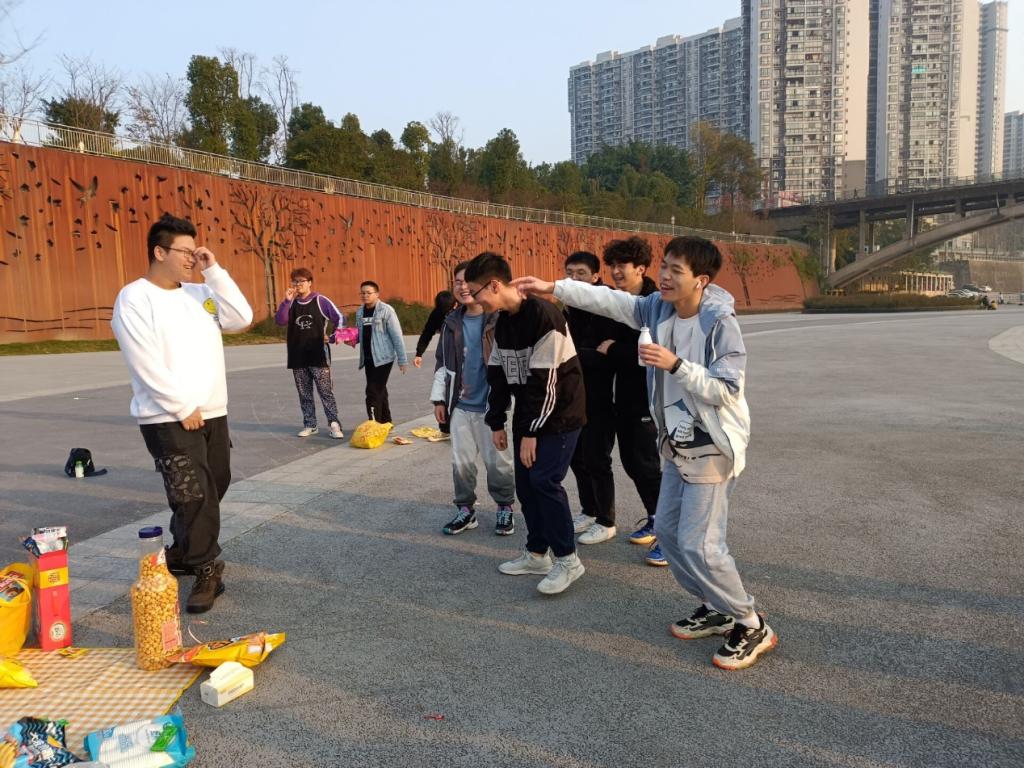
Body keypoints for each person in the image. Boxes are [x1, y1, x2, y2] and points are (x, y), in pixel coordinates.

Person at [512, 236, 777, 670]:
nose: (665, 276)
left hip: (711, 446)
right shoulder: (658, 308)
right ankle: (717, 606)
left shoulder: (718, 322)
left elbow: (727, 388)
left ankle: (751, 623)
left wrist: (676, 365)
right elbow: (609, 301)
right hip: (675, 443)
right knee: (669, 536)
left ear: (701, 280)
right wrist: (553, 287)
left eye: (676, 270)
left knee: (701, 545)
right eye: (665, 266)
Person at [111, 214, 253, 614]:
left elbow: (241, 318)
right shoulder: (134, 298)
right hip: (168, 415)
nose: (193, 258)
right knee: (194, 495)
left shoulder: (199, 293)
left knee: (215, 483)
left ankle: (183, 549)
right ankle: (206, 568)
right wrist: (181, 406)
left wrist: (215, 271)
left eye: (196, 251)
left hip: (213, 410)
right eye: (186, 251)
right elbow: (143, 360)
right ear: (160, 252)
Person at [464, 251, 587, 595]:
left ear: (493, 285)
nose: (473, 300)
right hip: (529, 414)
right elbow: (498, 375)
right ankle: (537, 554)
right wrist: (496, 421)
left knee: (545, 481)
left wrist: (532, 431)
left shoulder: (544, 316)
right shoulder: (502, 322)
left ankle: (568, 560)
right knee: (527, 486)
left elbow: (546, 384)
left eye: (475, 292)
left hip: (560, 415)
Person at [430, 262, 515, 536]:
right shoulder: (451, 322)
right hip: (461, 406)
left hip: (493, 406)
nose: (463, 287)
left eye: (468, 281)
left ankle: (504, 507)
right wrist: (439, 400)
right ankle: (466, 510)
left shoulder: (499, 320)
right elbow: (442, 362)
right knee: (461, 462)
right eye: (457, 282)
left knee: (498, 461)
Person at [595, 237, 666, 566]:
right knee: (632, 462)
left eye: (621, 265)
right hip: (620, 396)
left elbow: (650, 353)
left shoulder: (655, 304)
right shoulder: (618, 301)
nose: (615, 271)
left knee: (646, 465)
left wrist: (613, 349)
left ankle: (669, 534)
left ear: (641, 268)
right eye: (612, 265)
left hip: (645, 398)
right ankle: (656, 518)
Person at [561, 252, 620, 546]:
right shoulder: (568, 307)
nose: (574, 278)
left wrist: (573, 356)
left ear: (596, 277)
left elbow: (607, 358)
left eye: (581, 273)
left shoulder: (607, 307)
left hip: (601, 396)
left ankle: (607, 521)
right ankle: (589, 510)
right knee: (576, 456)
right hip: (574, 395)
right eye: (569, 272)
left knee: (597, 458)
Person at [274, 267, 345, 439]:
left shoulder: (321, 300)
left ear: (310, 283)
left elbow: (340, 318)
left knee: (325, 391)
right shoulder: (291, 303)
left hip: (318, 354)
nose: (298, 284)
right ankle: (310, 424)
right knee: (304, 393)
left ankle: (334, 424)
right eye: (295, 281)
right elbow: (281, 321)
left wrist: (333, 337)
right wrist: (286, 301)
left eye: (302, 281)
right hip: (298, 355)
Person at [355, 280, 407, 423]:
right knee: (380, 390)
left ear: (377, 294)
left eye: (368, 293)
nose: (365, 296)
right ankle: (386, 422)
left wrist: (402, 360)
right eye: (362, 293)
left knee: (372, 391)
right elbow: (359, 334)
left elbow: (397, 336)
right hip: (368, 358)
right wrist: (349, 338)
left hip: (384, 358)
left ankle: (374, 425)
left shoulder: (386, 310)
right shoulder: (360, 312)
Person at [415, 289, 459, 434]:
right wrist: (419, 353)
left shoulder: (461, 312)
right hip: (446, 354)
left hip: (461, 356)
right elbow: (427, 332)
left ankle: (452, 425)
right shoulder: (437, 314)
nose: (446, 313)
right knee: (444, 385)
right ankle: (445, 426)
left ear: (455, 305)